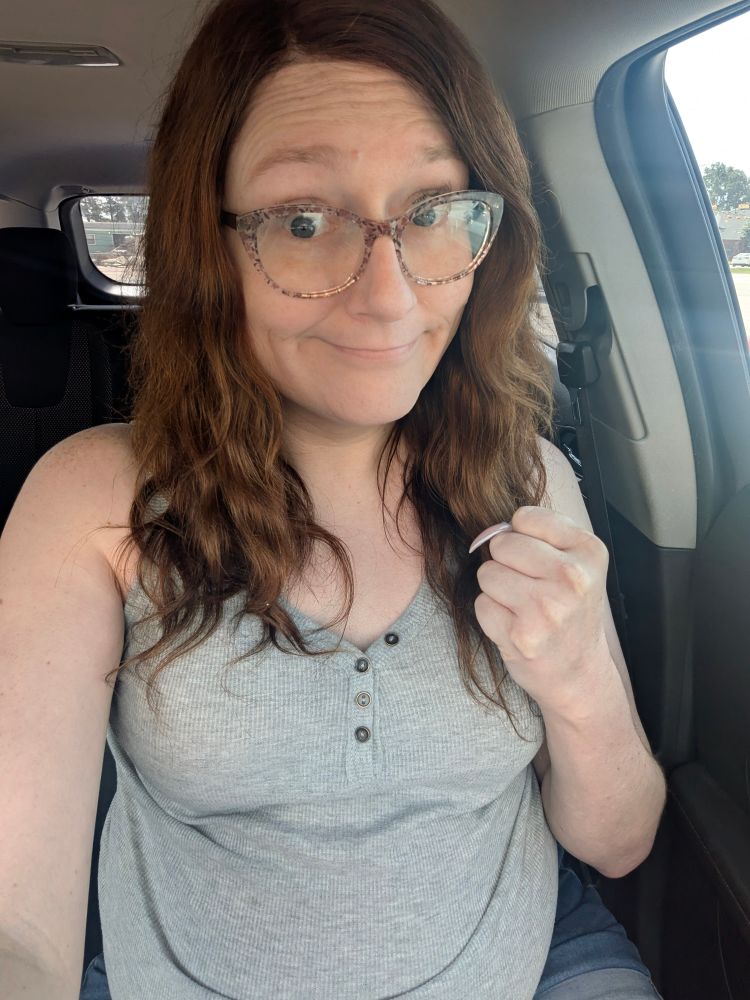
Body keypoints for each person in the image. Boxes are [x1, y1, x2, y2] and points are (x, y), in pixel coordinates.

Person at [3, 0, 665, 997]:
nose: (389, 298)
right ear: (207, 242)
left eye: (431, 212)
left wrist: (580, 683)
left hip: (532, 967)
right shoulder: (96, 501)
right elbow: (18, 924)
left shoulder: (527, 480)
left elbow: (619, 842)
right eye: (304, 221)